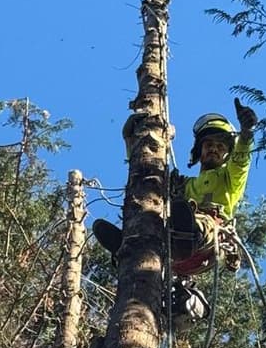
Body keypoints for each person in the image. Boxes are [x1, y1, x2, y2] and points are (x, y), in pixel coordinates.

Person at [91, 98, 257, 264]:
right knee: (153, 214)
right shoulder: (183, 186)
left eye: (220, 147)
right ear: (200, 151)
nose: (214, 149)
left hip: (206, 245)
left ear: (228, 155)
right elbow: (148, 175)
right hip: (172, 254)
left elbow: (241, 161)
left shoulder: (230, 179)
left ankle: (185, 236)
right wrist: (131, 140)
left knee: (199, 220)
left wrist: (247, 132)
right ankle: (131, 242)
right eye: (209, 145)